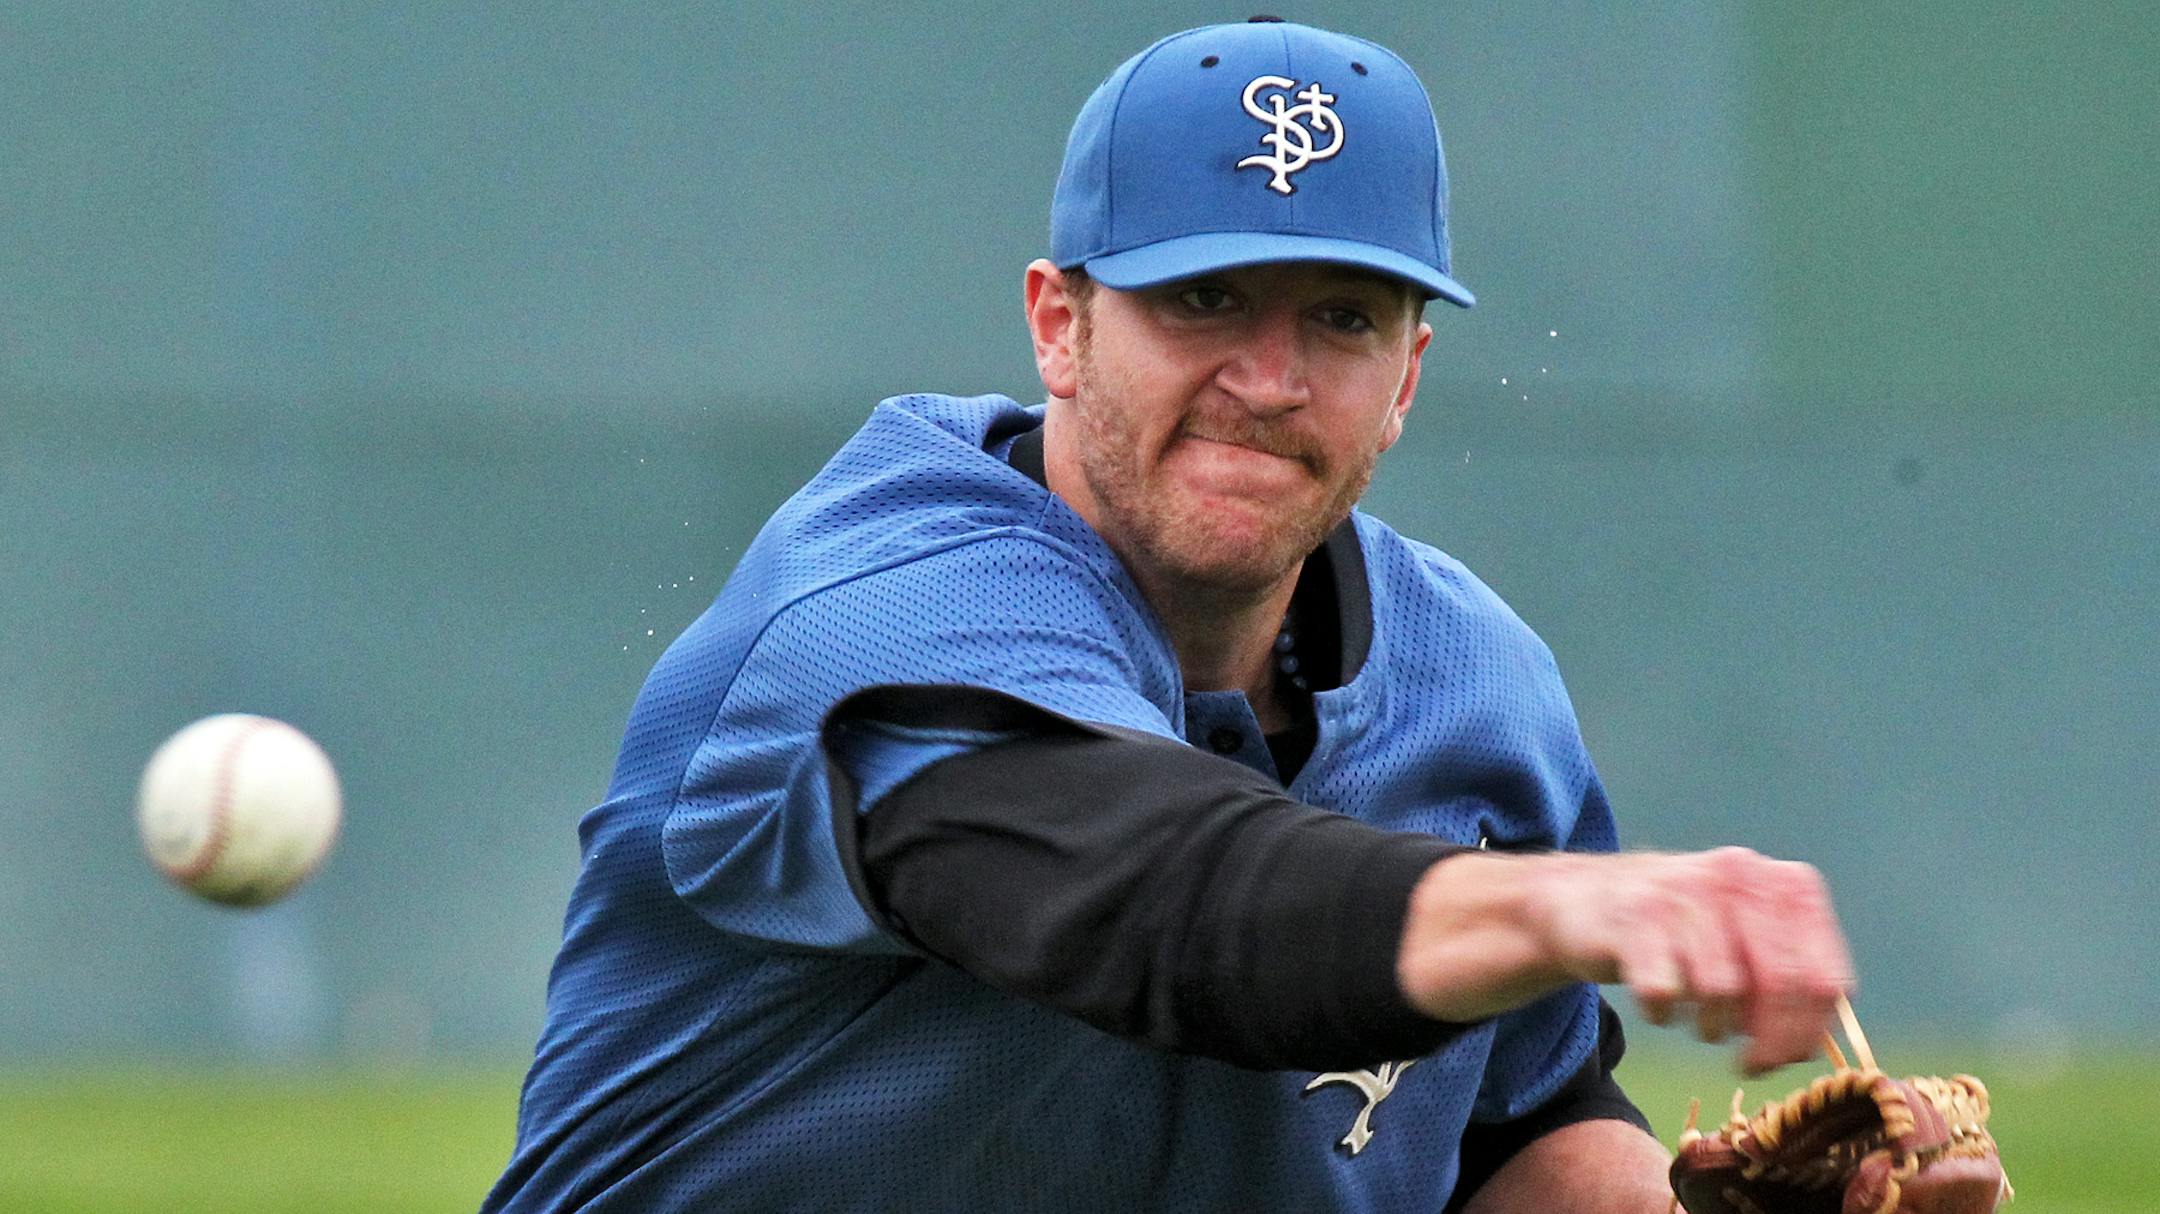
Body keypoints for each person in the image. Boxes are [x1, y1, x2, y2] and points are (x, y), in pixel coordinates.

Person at [483, 18, 1853, 1213]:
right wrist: (1578, 900)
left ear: (1410, 375)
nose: (1270, 376)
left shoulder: (1478, 691)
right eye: (1203, 298)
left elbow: (1513, 1128)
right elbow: (1168, 900)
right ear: (1058, 323)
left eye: (1342, 316)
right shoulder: (886, 610)